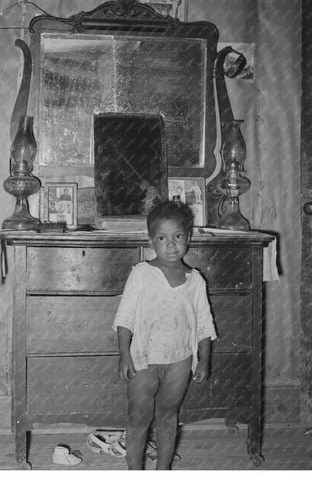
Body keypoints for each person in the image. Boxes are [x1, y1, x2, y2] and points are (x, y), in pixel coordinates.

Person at [112, 201, 217, 470]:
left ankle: (163, 470)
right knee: (138, 417)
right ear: (151, 241)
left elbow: (204, 323)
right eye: (162, 238)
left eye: (178, 236)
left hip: (180, 361)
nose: (171, 245)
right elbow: (125, 317)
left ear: (189, 239)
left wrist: (203, 360)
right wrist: (124, 355)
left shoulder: (195, 280)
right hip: (143, 359)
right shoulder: (141, 275)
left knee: (168, 416)